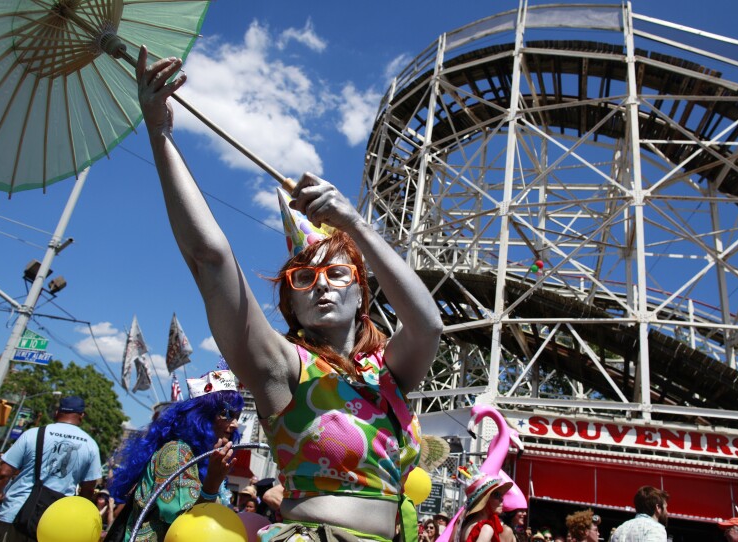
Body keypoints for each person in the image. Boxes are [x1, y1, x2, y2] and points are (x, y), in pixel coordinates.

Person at [136, 43, 443, 542]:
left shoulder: (390, 373)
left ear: (363, 295)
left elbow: (429, 324)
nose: (321, 284)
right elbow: (210, 259)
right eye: (304, 279)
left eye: (338, 274)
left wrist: (354, 223)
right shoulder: (285, 369)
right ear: (291, 303)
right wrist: (160, 133)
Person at [108, 370, 242, 541]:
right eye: (227, 414)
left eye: (237, 416)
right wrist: (212, 484)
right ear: (202, 415)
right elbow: (187, 523)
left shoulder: (202, 458)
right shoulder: (176, 453)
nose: (235, 424)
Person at [0, 396, 102, 542]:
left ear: (57, 412)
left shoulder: (33, 434)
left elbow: (3, 474)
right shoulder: (91, 446)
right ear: (82, 415)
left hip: (13, 515)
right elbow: (88, 490)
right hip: (52, 524)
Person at [452, 465, 513, 542]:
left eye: (501, 495)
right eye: (496, 495)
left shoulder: (464, 526)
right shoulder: (486, 529)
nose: (502, 499)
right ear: (485, 500)